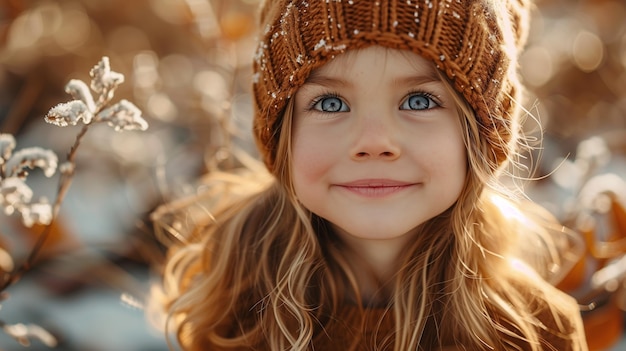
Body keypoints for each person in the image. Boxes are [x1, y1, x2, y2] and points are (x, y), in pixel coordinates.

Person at [158, 0, 589, 350]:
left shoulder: (535, 331)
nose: (374, 141)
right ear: (281, 136)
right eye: (330, 104)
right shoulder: (234, 312)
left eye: (419, 101)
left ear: (479, 134)